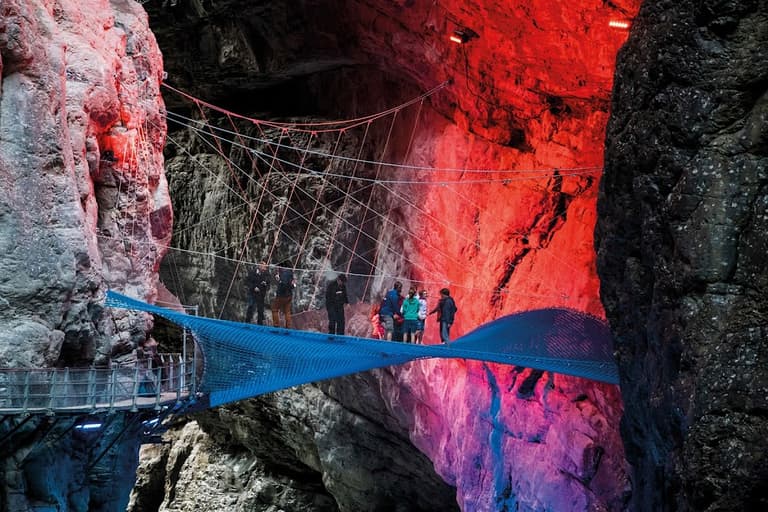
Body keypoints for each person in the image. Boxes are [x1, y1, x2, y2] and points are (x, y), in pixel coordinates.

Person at [271, 262, 295, 328]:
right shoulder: (291, 273)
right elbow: (292, 285)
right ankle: (288, 326)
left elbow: (284, 284)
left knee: (274, 309)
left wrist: (279, 280)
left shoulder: (284, 273)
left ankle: (276, 325)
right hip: (289, 295)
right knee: (287, 311)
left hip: (282, 295)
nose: (278, 268)